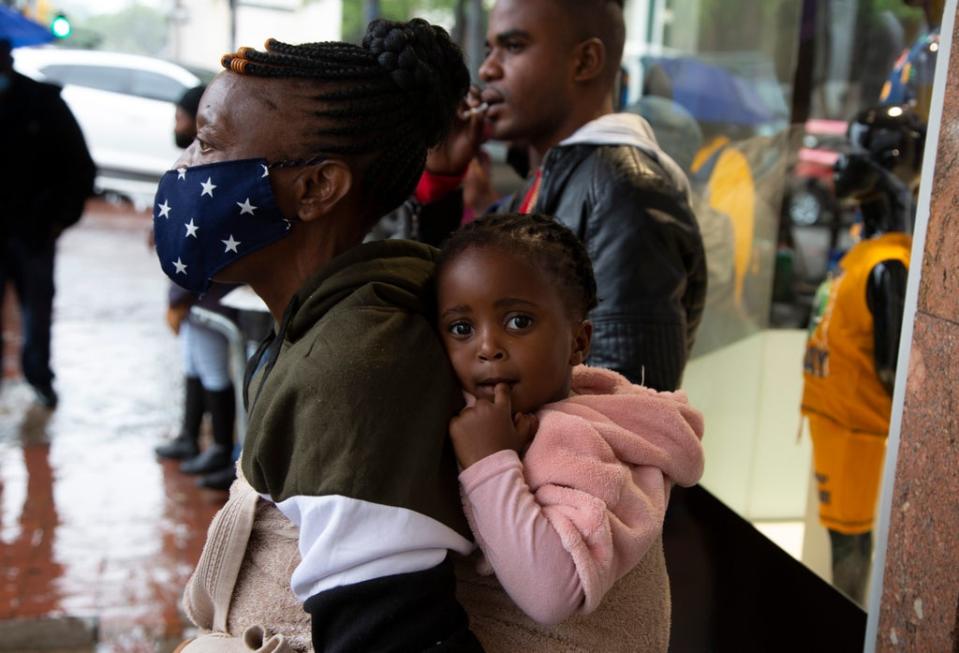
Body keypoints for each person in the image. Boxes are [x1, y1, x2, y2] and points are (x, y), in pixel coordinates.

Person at [157, 19, 484, 652]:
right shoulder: (328, 324)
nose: (182, 171)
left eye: (206, 144)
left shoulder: (356, 366)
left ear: (315, 187)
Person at [435, 214, 705, 651]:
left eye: (518, 321)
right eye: (461, 328)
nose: (486, 347)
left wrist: (489, 464)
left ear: (579, 342)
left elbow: (552, 595)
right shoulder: (480, 411)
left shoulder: (585, 438)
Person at [420, 0, 705, 392]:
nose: (488, 69)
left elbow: (628, 411)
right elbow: (439, 310)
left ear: (585, 61)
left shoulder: (624, 190)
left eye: (514, 46)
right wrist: (442, 181)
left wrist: (491, 452)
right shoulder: (549, 180)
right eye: (489, 51)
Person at [801, 104, 921, 604]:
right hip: (834, 423)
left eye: (861, 151)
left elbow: (895, 372)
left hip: (860, 437)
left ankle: (850, 619)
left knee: (851, 543)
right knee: (839, 536)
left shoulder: (889, 265)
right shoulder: (864, 253)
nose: (846, 164)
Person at [155, 84, 241, 492]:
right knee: (193, 362)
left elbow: (200, 238)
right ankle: (192, 436)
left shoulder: (216, 170)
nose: (178, 125)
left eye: (180, 116)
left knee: (211, 366)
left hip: (209, 292)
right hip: (196, 293)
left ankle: (222, 447)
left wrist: (180, 296)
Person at [0, 38, 95, 408]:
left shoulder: (43, 103)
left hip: (33, 233)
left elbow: (79, 168)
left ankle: (40, 378)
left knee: (36, 311)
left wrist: (57, 220)